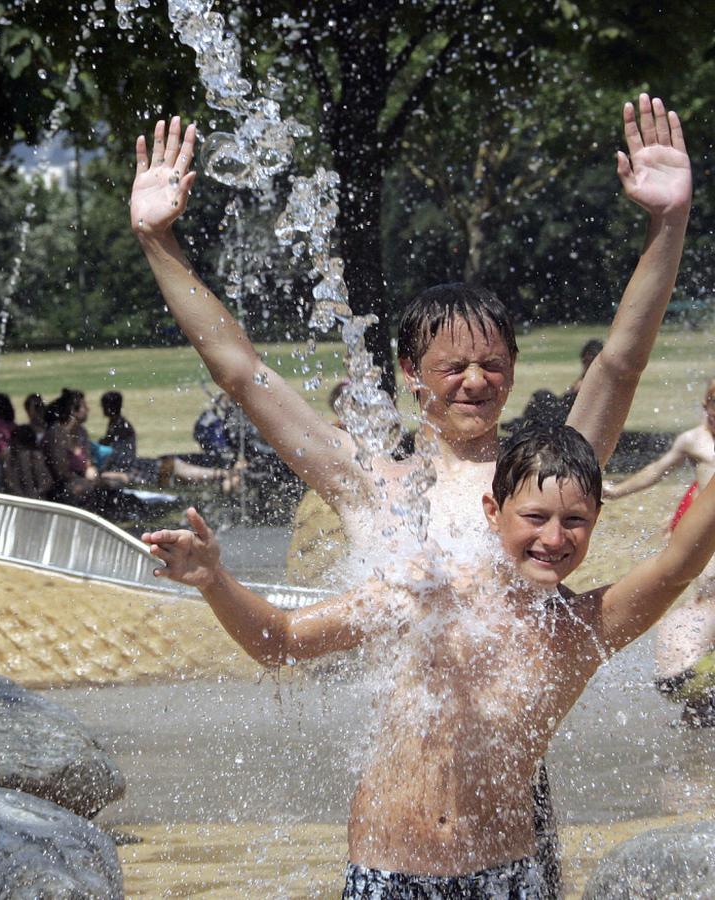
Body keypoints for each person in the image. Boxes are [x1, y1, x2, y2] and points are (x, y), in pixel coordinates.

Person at [130, 94, 690, 884]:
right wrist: (159, 241)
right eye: (452, 365)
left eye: (493, 364)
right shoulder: (371, 488)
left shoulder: (543, 477)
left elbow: (620, 363)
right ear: (409, 377)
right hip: (392, 843)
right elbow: (242, 373)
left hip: (510, 831)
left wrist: (667, 225)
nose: (475, 381)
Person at [144, 425, 715, 896]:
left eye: (575, 521)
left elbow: (678, 562)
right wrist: (214, 580)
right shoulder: (425, 592)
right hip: (389, 870)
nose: (554, 538)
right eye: (535, 517)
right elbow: (283, 640)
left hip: (508, 877)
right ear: (493, 510)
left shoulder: (582, 627)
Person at [604, 378, 715, 725]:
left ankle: (698, 687)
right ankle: (696, 698)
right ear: (705, 406)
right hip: (707, 538)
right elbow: (657, 469)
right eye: (712, 405)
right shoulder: (694, 440)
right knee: (706, 597)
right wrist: (617, 491)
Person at [99, 390, 240, 491]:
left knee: (189, 474)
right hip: (150, 467)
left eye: (104, 405)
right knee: (190, 476)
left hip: (152, 468)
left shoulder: (120, 426)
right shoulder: (116, 424)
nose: (103, 409)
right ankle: (226, 476)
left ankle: (227, 475)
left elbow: (121, 461)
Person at [3, 424, 54, 499]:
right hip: (24, 498)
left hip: (34, 498)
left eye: (14, 442)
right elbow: (10, 481)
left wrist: (37, 493)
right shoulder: (11, 458)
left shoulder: (35, 456)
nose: (12, 444)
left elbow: (46, 481)